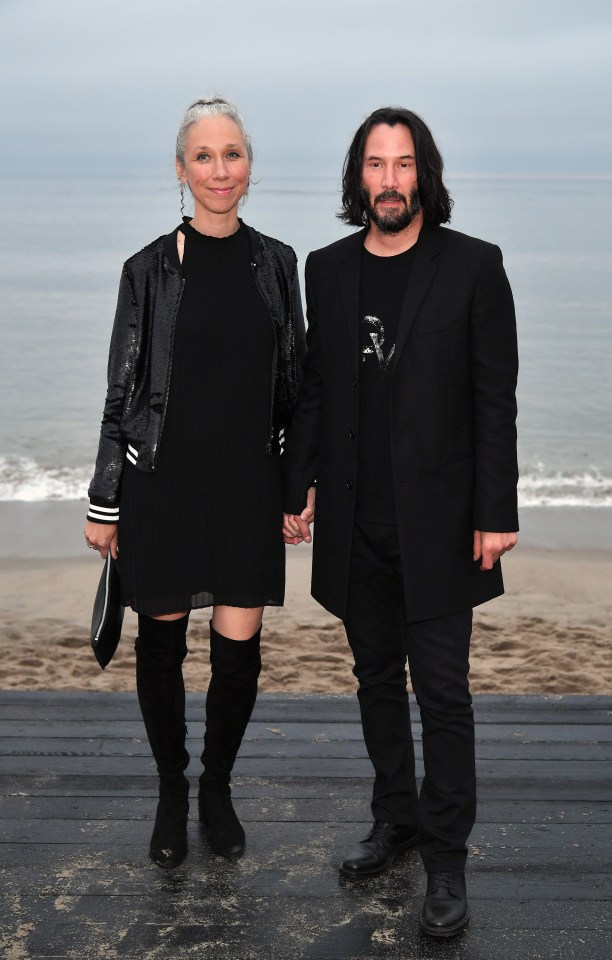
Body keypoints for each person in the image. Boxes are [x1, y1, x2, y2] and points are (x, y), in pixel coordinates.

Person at [282, 107, 518, 938]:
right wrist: (297, 482)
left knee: (444, 695)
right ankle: (397, 821)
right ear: (358, 178)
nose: (389, 180)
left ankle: (446, 858)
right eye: (375, 166)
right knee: (376, 682)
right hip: (355, 522)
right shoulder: (328, 268)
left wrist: (497, 511)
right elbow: (316, 387)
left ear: (425, 175)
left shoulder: (474, 267)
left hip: (445, 523)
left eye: (403, 164)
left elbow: (495, 399)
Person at [84, 96, 305, 869]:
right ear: (181, 170)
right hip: (163, 485)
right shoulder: (145, 271)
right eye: (204, 156)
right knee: (162, 646)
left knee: (239, 652)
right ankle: (172, 792)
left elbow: (295, 387)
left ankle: (218, 788)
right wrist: (104, 500)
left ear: (249, 166)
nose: (220, 170)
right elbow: (122, 391)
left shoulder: (278, 263)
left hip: (248, 485)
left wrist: (295, 485)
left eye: (233, 154)